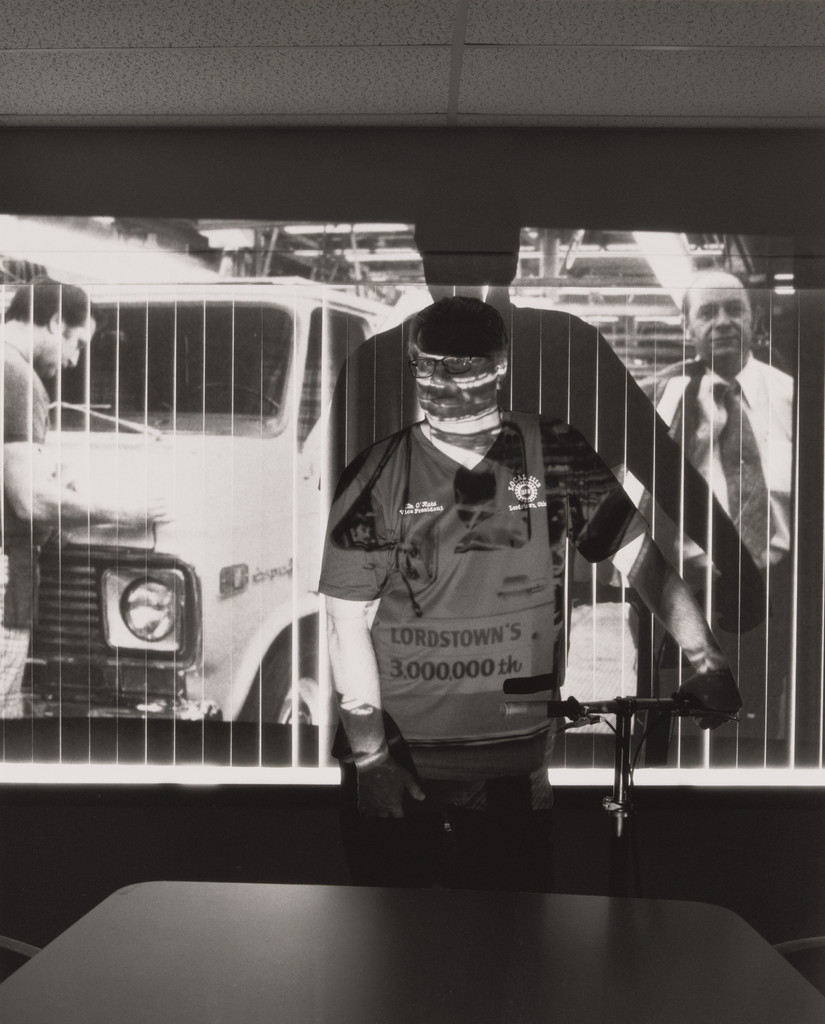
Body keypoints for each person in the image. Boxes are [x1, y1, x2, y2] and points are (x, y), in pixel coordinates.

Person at [320, 296, 741, 891]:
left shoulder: (554, 453)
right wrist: (370, 761)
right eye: (427, 365)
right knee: (393, 961)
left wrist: (707, 660)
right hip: (402, 767)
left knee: (514, 958)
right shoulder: (378, 473)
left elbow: (641, 559)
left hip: (512, 775)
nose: (442, 381)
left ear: (498, 367)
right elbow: (345, 622)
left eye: (461, 365)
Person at [328, 208, 766, 645]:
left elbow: (346, 514)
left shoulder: (375, 364)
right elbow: (660, 462)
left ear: (424, 257)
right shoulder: (568, 347)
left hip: (421, 637)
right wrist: (737, 566)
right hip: (530, 630)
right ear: (513, 259)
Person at [1, 278, 169, 718]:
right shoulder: (17, 376)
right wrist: (123, 514)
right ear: (56, 322)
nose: (75, 360)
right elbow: (29, 502)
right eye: (77, 343)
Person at [641, 270, 794, 751]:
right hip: (685, 590)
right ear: (687, 327)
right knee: (674, 723)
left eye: (735, 310)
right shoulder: (661, 398)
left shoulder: (794, 398)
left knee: (764, 725)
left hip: (776, 591)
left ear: (755, 320)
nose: (723, 322)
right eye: (708, 312)